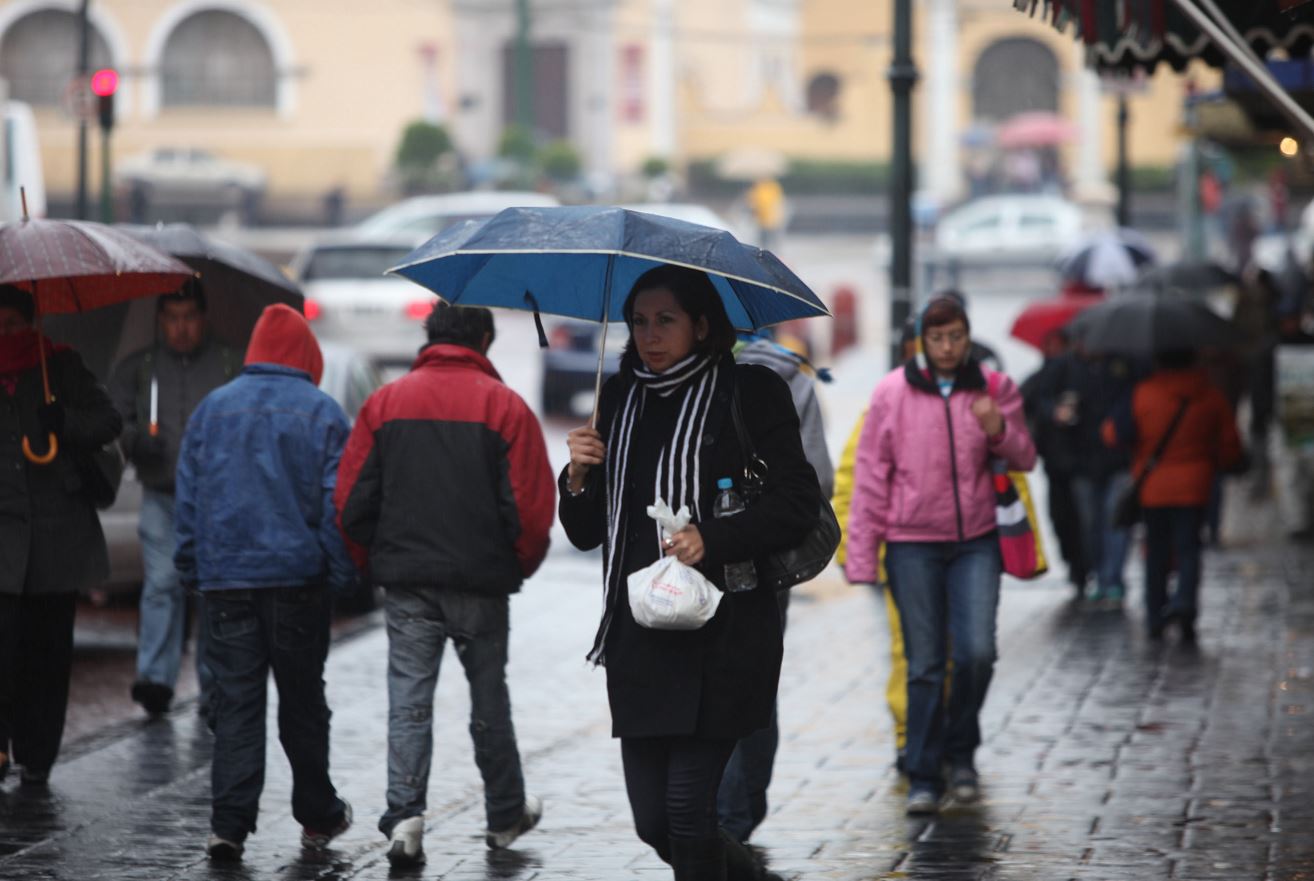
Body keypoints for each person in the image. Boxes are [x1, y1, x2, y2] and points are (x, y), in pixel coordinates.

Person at [560, 265, 820, 881]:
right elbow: (585, 532)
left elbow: (797, 503)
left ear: (702, 325)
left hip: (724, 634)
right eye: (639, 322)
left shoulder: (750, 392)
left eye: (666, 320)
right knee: (655, 823)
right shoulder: (619, 398)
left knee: (686, 811)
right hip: (639, 638)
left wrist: (713, 537)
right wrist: (577, 476)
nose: (649, 336)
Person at [335, 304, 554, 867]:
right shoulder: (505, 407)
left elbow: (351, 502)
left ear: (429, 337)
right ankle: (504, 813)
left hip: (407, 581)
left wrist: (373, 560)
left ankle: (405, 816)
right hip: (482, 581)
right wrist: (518, 565)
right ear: (484, 340)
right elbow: (531, 512)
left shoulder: (386, 403)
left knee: (408, 699)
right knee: (489, 700)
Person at [174, 304, 355, 861]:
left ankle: (228, 825)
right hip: (298, 581)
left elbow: (189, 498)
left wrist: (191, 566)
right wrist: (339, 572)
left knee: (236, 705)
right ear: (306, 355)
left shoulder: (212, 410)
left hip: (226, 582)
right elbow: (336, 506)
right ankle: (318, 815)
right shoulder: (324, 414)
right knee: (303, 703)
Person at [844, 296, 1035, 815]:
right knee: (925, 662)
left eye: (955, 337)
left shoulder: (995, 388)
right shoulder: (892, 392)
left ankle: (961, 750)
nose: (947, 347)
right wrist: (862, 556)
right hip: (911, 543)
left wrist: (998, 429)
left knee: (977, 653)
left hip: (977, 541)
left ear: (968, 337)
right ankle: (925, 773)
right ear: (921, 343)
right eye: (937, 338)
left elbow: (1025, 456)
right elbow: (870, 477)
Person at [0, 285, 122, 786]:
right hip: (4, 540)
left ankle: (37, 755)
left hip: (57, 539)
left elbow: (108, 420)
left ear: (31, 324)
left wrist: (65, 421)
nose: (5, 334)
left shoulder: (61, 366)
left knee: (47, 655)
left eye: (13, 325)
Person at [717, 330, 834, 843]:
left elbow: (809, 486)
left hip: (736, 557)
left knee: (724, 679)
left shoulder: (770, 380)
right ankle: (739, 808)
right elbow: (818, 477)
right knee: (754, 677)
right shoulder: (792, 373)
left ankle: (728, 814)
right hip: (766, 557)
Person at [109, 281, 240, 717]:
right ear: (160, 320)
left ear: (203, 318)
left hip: (216, 502)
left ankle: (213, 682)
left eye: (189, 318)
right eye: (172, 318)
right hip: (162, 496)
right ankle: (155, 678)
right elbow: (113, 418)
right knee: (162, 584)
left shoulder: (230, 364)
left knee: (212, 591)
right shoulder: (140, 367)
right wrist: (134, 442)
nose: (181, 328)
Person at [1102, 349, 1242, 643]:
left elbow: (1114, 434)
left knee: (1156, 551)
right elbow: (1230, 443)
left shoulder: (1143, 393)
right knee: (1189, 548)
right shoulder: (1210, 396)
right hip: (1196, 485)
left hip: (1154, 487)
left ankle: (1155, 615)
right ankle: (1186, 604)